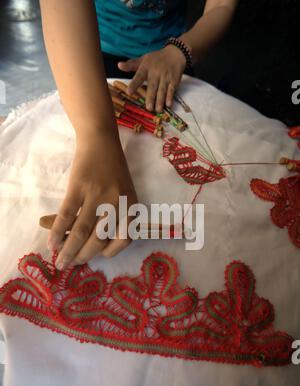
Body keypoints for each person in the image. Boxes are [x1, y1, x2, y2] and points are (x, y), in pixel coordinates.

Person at [39, 0, 238, 270]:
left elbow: (221, 7)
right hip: (87, 54)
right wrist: (96, 136)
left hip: (174, 59)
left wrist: (178, 52)